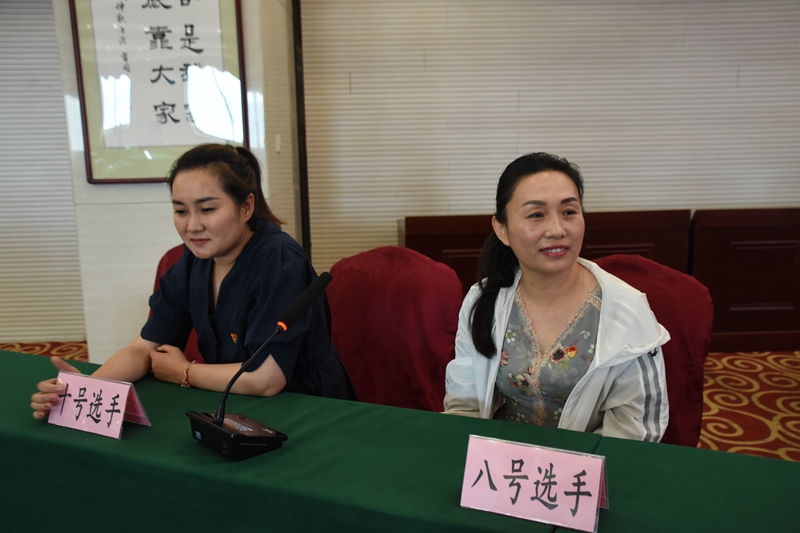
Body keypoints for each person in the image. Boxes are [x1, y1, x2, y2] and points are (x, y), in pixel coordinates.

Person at [31, 143, 356, 419]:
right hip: (234, 404)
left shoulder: (280, 261)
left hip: (307, 407)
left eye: (207, 209)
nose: (192, 226)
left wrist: (183, 372)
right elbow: (143, 348)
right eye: (181, 211)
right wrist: (86, 387)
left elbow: (265, 379)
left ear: (246, 207)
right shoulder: (193, 262)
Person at [443, 152, 669, 441]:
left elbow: (635, 428)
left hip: (587, 461)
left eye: (569, 212)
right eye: (536, 215)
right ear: (502, 229)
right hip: (499, 459)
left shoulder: (627, 312)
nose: (557, 230)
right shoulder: (484, 299)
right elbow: (465, 404)